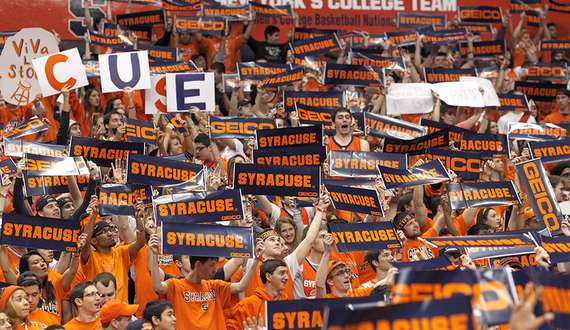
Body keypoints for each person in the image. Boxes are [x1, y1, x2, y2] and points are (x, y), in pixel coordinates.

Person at [147, 234, 263, 330]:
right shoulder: (176, 285)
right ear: (198, 265)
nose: (215, 270)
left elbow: (241, 287)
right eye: (212, 265)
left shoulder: (215, 285)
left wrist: (256, 259)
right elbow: (157, 286)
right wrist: (155, 254)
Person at [81, 197, 146, 303]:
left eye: (110, 229)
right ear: (93, 240)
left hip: (122, 314)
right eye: (103, 232)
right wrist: (94, 215)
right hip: (100, 314)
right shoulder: (90, 257)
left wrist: (138, 219)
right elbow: (85, 242)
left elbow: (140, 243)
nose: (110, 233)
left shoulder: (121, 252)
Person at [226, 260, 289, 330]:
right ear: (268, 276)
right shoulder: (246, 305)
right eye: (281, 273)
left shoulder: (290, 305)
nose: (287, 277)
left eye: (286, 273)